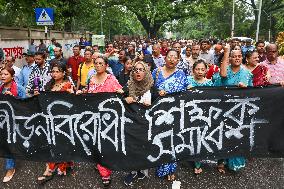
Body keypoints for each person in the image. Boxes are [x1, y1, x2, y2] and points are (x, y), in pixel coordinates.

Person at [77, 56, 122, 187]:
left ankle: (105, 173)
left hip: (108, 119)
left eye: (100, 63)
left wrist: (120, 93)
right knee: (95, 143)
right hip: (93, 118)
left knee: (105, 145)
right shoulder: (91, 79)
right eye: (96, 63)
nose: (97, 65)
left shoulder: (111, 79)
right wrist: (82, 92)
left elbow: (119, 94)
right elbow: (89, 94)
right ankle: (100, 164)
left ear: (106, 65)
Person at [213, 45, 253, 173]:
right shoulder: (225, 70)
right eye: (234, 56)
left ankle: (235, 162)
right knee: (222, 135)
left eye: (239, 56)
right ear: (229, 58)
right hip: (224, 108)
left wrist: (245, 88)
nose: (237, 58)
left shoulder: (247, 73)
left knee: (237, 136)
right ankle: (221, 162)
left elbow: (252, 92)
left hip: (239, 110)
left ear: (243, 58)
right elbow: (223, 75)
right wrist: (226, 51)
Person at [152, 49, 188, 181]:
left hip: (175, 113)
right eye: (169, 57)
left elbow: (185, 94)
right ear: (165, 58)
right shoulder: (156, 72)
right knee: (159, 139)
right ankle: (158, 165)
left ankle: (171, 169)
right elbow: (150, 89)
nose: (172, 59)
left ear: (178, 60)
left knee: (173, 141)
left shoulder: (181, 74)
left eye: (175, 57)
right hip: (158, 112)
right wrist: (157, 92)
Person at [37, 62, 74, 185]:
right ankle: (50, 168)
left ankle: (61, 165)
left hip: (63, 120)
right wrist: (39, 95)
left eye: (57, 71)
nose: (54, 74)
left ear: (64, 73)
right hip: (50, 119)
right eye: (53, 71)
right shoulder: (49, 85)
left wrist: (71, 94)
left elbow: (73, 103)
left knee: (62, 143)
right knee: (51, 143)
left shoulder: (68, 85)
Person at [121, 61, 154, 186]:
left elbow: (159, 105)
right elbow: (118, 99)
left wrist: (152, 105)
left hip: (146, 125)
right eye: (135, 70)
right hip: (131, 124)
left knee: (143, 148)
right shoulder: (128, 86)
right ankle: (132, 171)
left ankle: (141, 169)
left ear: (146, 72)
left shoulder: (152, 87)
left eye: (141, 69)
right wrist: (125, 99)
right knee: (132, 149)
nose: (138, 72)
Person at [187, 59, 214, 175]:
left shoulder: (209, 83)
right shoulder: (187, 81)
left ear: (206, 71)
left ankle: (198, 162)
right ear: (193, 70)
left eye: (202, 69)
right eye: (197, 69)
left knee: (200, 138)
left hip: (204, 115)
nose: (199, 71)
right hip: (189, 114)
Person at [0, 66, 26, 183]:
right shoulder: (0, 88)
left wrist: (14, 99)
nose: (3, 76)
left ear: (12, 76)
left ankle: (10, 168)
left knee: (9, 144)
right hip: (2, 122)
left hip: (14, 122)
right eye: (1, 74)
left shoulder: (19, 89)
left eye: (6, 74)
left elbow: (25, 105)